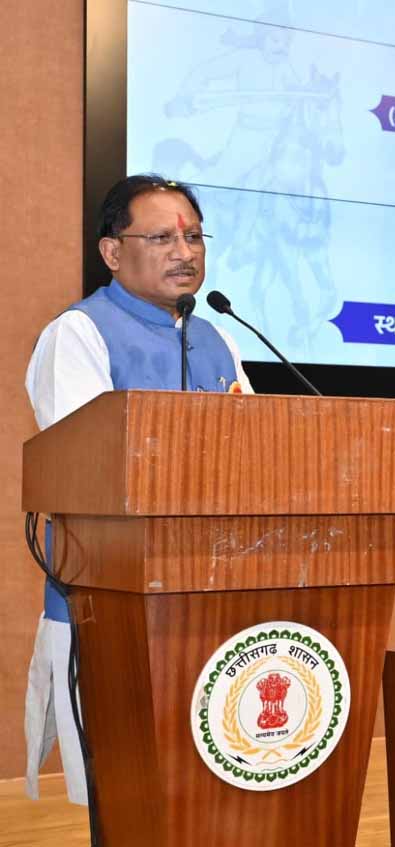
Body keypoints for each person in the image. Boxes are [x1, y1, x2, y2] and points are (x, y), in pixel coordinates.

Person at [23, 174, 253, 805]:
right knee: (128, 799)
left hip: (217, 599)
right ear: (112, 252)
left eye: (194, 237)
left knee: (211, 792)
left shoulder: (218, 338)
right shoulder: (79, 333)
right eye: (161, 238)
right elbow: (87, 467)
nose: (184, 252)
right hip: (112, 600)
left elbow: (256, 455)